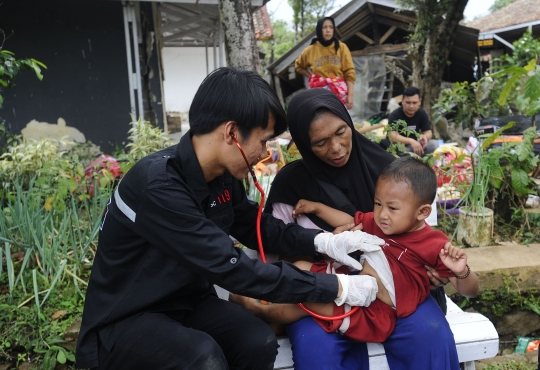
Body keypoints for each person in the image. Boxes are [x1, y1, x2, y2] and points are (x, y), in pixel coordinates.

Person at [75, 68, 387, 370]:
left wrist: (325, 242)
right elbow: (231, 267)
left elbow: (257, 227)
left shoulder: (220, 177)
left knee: (257, 343)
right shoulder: (159, 187)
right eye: (263, 141)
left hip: (185, 302)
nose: (264, 153)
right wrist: (336, 286)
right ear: (232, 132)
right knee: (202, 357)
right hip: (129, 316)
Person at [263, 88, 464, 370]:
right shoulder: (291, 187)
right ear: (303, 144)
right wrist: (321, 250)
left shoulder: (389, 173)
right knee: (317, 352)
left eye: (341, 132)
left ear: (349, 122)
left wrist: (433, 273)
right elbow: (276, 254)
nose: (335, 148)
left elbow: (422, 237)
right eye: (319, 142)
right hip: (324, 291)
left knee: (431, 336)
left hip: (394, 290)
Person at [233, 156, 479, 345]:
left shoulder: (434, 245)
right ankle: (266, 296)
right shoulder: (382, 223)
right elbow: (352, 219)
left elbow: (469, 291)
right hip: (347, 278)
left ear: (423, 212)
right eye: (378, 203)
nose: (382, 214)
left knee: (304, 301)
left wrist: (462, 272)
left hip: (372, 309)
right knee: (299, 268)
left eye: (392, 208)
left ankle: (261, 311)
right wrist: (318, 208)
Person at [295, 16, 356, 109]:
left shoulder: (342, 48)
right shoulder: (310, 50)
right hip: (318, 95)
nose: (328, 30)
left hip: (339, 94)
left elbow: (349, 72)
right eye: (324, 27)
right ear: (319, 29)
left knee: (340, 120)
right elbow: (299, 66)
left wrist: (350, 95)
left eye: (331, 27)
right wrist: (310, 76)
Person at [388, 86, 440, 155]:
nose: (411, 106)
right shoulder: (394, 115)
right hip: (401, 147)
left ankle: (433, 165)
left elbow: (428, 132)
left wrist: (424, 137)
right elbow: (392, 136)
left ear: (420, 101)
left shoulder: (422, 113)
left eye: (414, 103)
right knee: (398, 150)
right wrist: (411, 141)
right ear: (402, 101)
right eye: (408, 103)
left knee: (434, 144)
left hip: (417, 146)